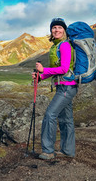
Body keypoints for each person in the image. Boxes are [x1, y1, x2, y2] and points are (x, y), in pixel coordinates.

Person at [32, 17, 78, 160]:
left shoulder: (64, 45)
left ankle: (48, 151)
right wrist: (41, 76)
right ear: (51, 31)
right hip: (64, 87)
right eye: (54, 28)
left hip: (67, 88)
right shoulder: (56, 46)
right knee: (66, 120)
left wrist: (43, 69)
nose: (56, 30)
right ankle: (68, 151)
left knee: (50, 115)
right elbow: (55, 70)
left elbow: (64, 69)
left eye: (59, 27)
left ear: (64, 30)